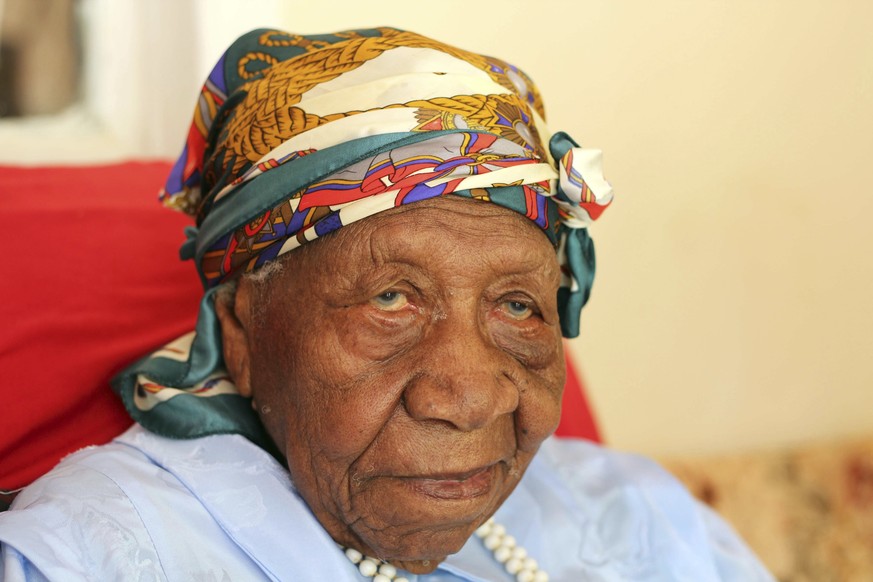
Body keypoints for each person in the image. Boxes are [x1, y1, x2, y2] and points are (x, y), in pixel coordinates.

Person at [0, 27, 774, 581]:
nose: (469, 398)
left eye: (515, 306)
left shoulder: (637, 516)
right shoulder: (98, 552)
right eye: (392, 298)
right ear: (241, 331)